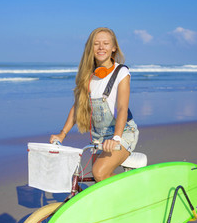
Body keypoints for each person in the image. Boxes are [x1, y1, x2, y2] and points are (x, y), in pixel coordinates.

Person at [50, 27, 139, 182]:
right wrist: (62, 134)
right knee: (99, 180)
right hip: (100, 137)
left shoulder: (121, 72)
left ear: (113, 48)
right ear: (90, 48)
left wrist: (116, 138)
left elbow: (122, 108)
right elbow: (78, 106)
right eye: (96, 44)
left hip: (123, 132)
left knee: (99, 172)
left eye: (105, 43)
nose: (101, 47)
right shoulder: (88, 75)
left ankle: (136, 193)